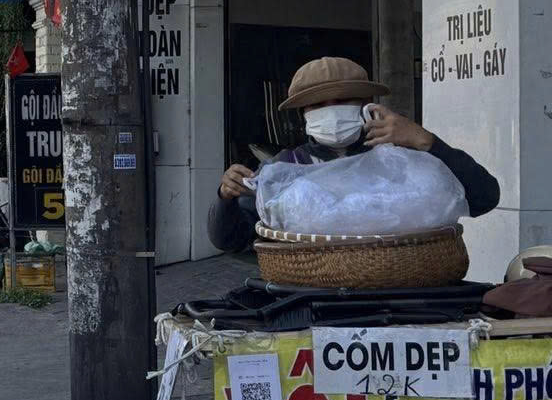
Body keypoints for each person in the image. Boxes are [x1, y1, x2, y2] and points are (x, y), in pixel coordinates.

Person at [210, 57, 499, 254]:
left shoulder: (402, 159)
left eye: (343, 100)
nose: (331, 110)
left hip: (402, 294)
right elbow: (229, 240)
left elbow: (484, 198)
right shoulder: (284, 167)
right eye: (319, 104)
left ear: (365, 105)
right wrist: (225, 198)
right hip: (312, 298)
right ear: (304, 114)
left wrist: (427, 142)